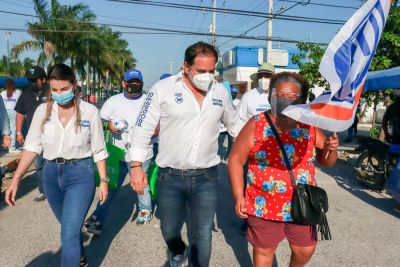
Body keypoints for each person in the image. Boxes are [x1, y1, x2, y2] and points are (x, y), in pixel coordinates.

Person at [129, 42, 244, 267]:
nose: (207, 76)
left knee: (202, 235)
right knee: (169, 229)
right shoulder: (163, 89)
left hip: (207, 177)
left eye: (212, 71)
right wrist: (135, 167)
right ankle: (177, 250)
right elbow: (142, 129)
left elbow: (236, 126)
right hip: (170, 176)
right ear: (185, 66)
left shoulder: (220, 91)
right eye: (201, 71)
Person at [228, 72, 339, 267]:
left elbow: (326, 161)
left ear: (301, 99)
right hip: (263, 201)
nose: (283, 100)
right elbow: (236, 159)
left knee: (305, 249)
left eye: (291, 96)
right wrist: (239, 195)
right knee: (264, 250)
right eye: (278, 95)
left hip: (301, 202)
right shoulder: (257, 123)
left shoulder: (309, 125)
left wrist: (331, 149)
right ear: (270, 95)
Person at [5, 63, 108, 267]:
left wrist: (103, 180)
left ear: (74, 85)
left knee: (68, 232)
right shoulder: (43, 111)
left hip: (80, 175)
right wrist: (16, 179)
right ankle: (79, 257)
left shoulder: (89, 112)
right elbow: (32, 146)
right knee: (68, 227)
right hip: (51, 175)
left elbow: (98, 149)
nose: (59, 94)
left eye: (64, 89)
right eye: (55, 90)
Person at [84, 69, 154, 235]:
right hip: (117, 152)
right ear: (124, 83)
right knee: (111, 185)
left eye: (138, 83)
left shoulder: (149, 102)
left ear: (142, 84)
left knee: (140, 184)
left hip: (141, 152)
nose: (134, 86)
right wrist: (110, 126)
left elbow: (158, 124)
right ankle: (98, 216)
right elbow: (100, 121)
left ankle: (145, 210)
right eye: (131, 83)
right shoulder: (113, 101)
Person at [14, 66, 49, 203]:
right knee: (39, 164)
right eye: (30, 80)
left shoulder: (52, 91)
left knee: (56, 164)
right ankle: (43, 191)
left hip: (53, 137)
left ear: (44, 79)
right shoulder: (25, 93)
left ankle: (58, 188)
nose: (32, 83)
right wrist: (18, 132)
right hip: (34, 137)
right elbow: (20, 114)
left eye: (35, 80)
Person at [383, 90, 400, 203]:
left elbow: (385, 122)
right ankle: (394, 191)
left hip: (395, 140)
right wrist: (387, 134)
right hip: (397, 141)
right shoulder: (393, 108)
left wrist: (387, 134)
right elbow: (385, 121)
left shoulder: (392, 107)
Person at [1, 79, 21, 152]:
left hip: (4, 112)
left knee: (5, 130)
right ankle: (11, 148)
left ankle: (5, 146)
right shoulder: (18, 92)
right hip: (13, 112)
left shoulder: (2, 93)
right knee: (13, 129)